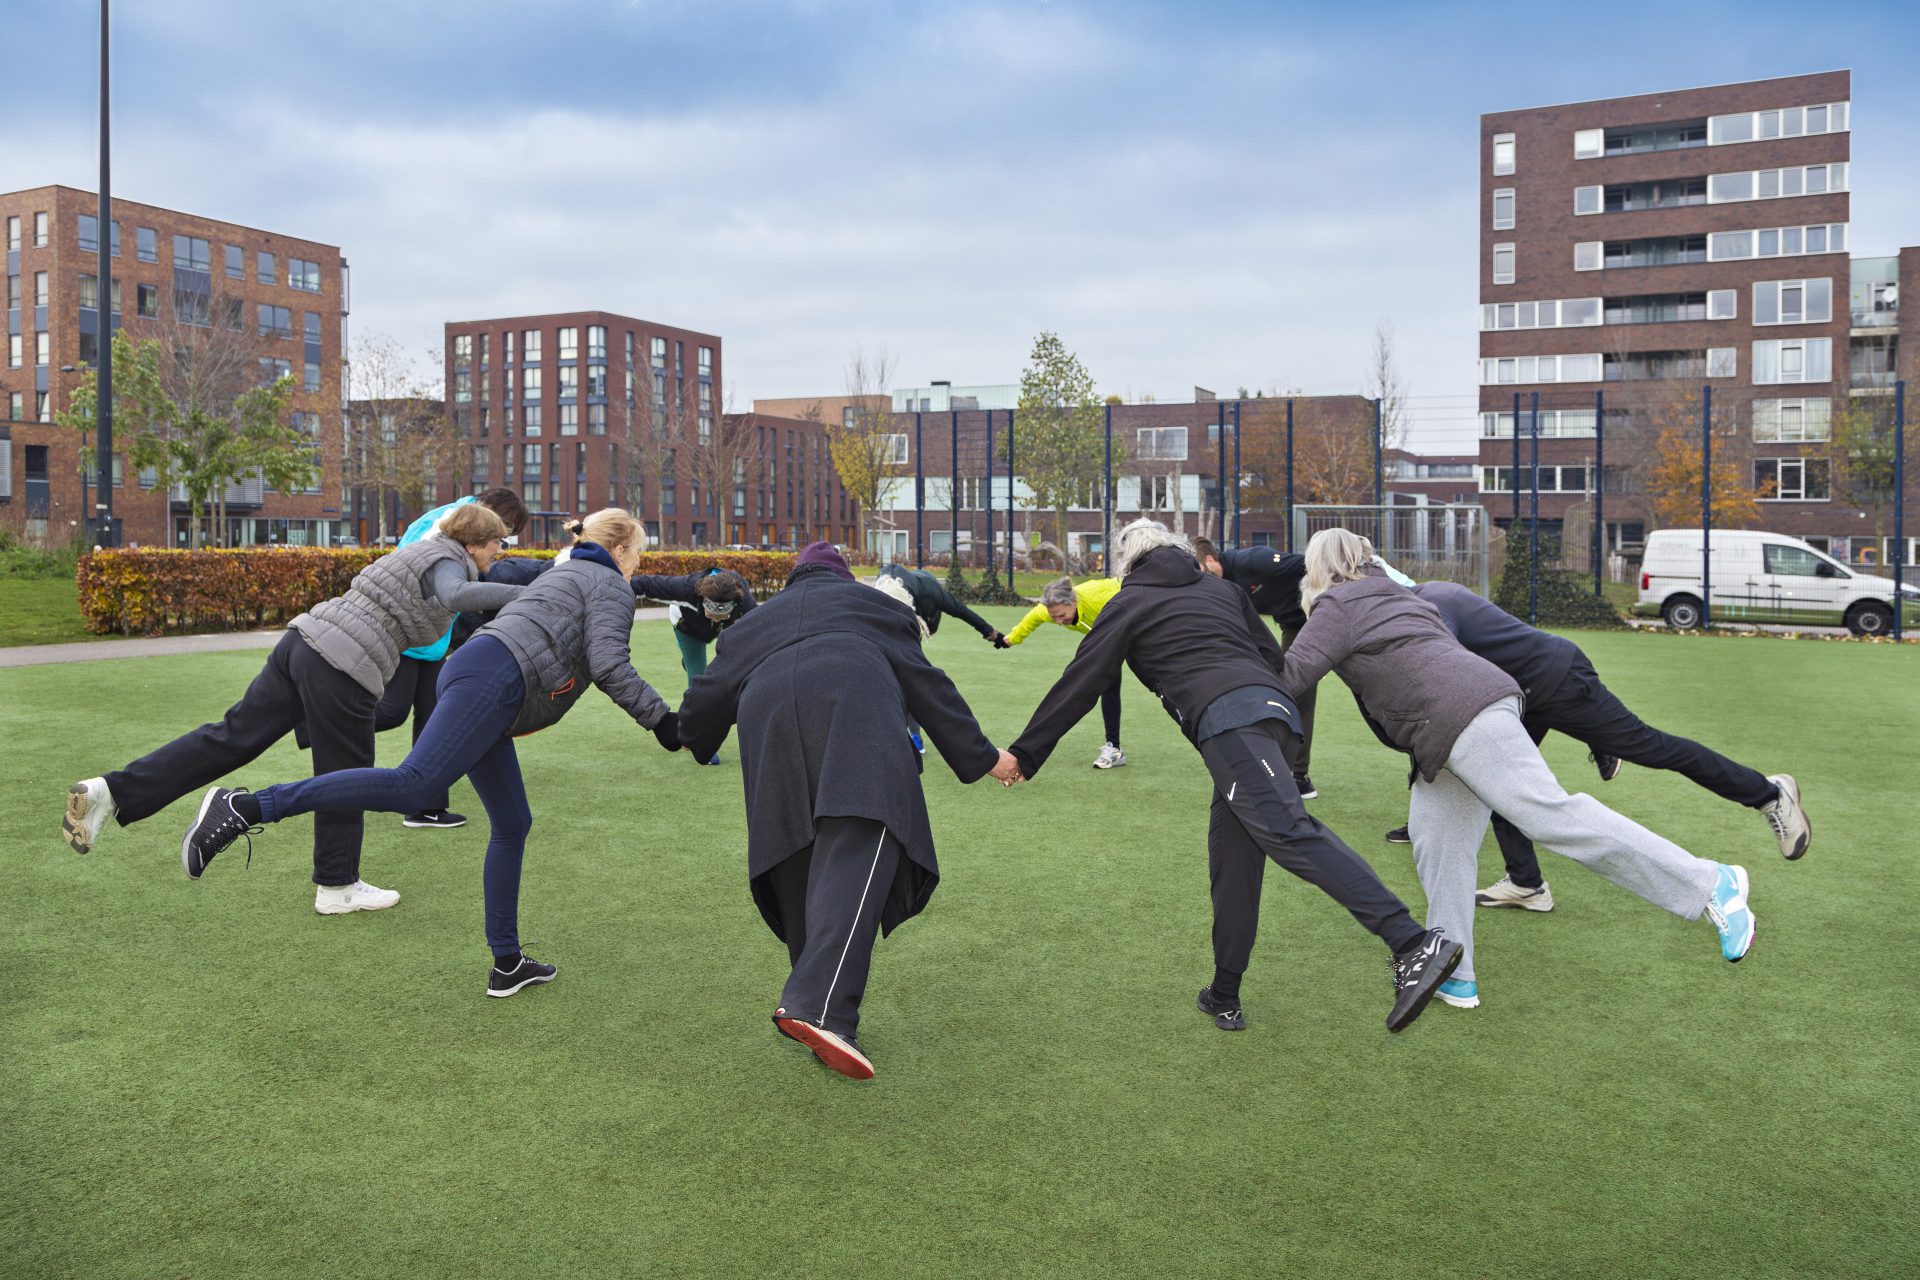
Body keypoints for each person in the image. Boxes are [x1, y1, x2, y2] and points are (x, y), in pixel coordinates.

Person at [175, 509, 680, 997]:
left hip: (484, 676)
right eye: (638, 551)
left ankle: (507, 963)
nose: (639, 562)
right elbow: (611, 665)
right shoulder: (609, 582)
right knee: (412, 784)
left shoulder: (562, 572)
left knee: (512, 822)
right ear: (618, 549)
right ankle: (245, 807)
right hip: (495, 678)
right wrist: (665, 722)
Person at [1004, 519, 1464, 1035]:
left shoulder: (1127, 603)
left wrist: (1025, 753)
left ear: (1124, 564)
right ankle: (1224, 991)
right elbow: (1274, 658)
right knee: (1234, 862)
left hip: (1232, 726)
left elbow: (1082, 680)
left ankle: (1411, 941)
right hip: (1276, 721)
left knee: (1290, 831)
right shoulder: (1222, 590)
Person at [1276, 529, 1760, 1013]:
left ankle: (1710, 881)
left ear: (1319, 568)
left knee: (1552, 816)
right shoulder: (1397, 595)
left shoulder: (1337, 604)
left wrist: (1220, 659)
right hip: (1455, 724)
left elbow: (1288, 677)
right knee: (1438, 842)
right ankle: (1455, 973)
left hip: (1464, 718)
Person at [62, 504, 522, 916]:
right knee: (347, 775)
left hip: (303, 643)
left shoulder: (423, 550)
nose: (496, 554)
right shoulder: (448, 561)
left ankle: (114, 790)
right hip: (343, 665)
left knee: (232, 735)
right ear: (476, 542)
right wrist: (527, 598)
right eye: (497, 545)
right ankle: (337, 885)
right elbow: (459, 596)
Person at [678, 542, 1018, 1079]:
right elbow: (928, 684)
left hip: (769, 723)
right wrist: (983, 757)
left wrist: (691, 737)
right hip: (855, 703)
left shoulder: (752, 624)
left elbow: (704, 701)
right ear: (845, 577)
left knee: (793, 849)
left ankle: (817, 1003)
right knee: (864, 831)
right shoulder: (879, 607)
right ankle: (817, 1005)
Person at [1377, 580, 1810, 910]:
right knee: (1498, 781)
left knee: (1652, 746)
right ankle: (1527, 884)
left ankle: (1769, 794)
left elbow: (1443, 674)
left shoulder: (1426, 608)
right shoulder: (1428, 594)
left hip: (1557, 682)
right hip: (1517, 693)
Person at [363, 487, 531, 830]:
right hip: (409, 632)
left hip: (430, 639)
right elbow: (434, 578)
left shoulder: (464, 522)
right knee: (393, 712)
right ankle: (323, 719)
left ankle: (426, 805)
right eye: (505, 532)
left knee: (435, 714)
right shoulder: (449, 527)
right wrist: (529, 594)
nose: (503, 544)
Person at [1191, 538, 1319, 799]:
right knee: (1293, 694)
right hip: (1295, 628)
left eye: (1202, 572)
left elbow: (1311, 564)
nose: (1203, 579)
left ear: (1211, 560)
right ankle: (1298, 776)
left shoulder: (1253, 560)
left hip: (1325, 617)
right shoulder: (1221, 587)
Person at [630, 564, 756, 765]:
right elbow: (641, 584)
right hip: (688, 628)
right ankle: (693, 739)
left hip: (728, 629)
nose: (714, 616)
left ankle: (696, 661)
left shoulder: (744, 602)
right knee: (698, 679)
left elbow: (759, 630)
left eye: (720, 614)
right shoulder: (686, 589)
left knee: (733, 673)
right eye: (710, 612)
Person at [1001, 575, 1128, 769]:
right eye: (1054, 618)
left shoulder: (1100, 597)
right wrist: (1011, 639)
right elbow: (1032, 619)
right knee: (1108, 683)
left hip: (1129, 619)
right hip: (1106, 635)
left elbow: (1136, 599)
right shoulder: (1048, 611)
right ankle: (1114, 748)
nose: (1059, 621)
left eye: (1062, 615)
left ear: (1073, 602)